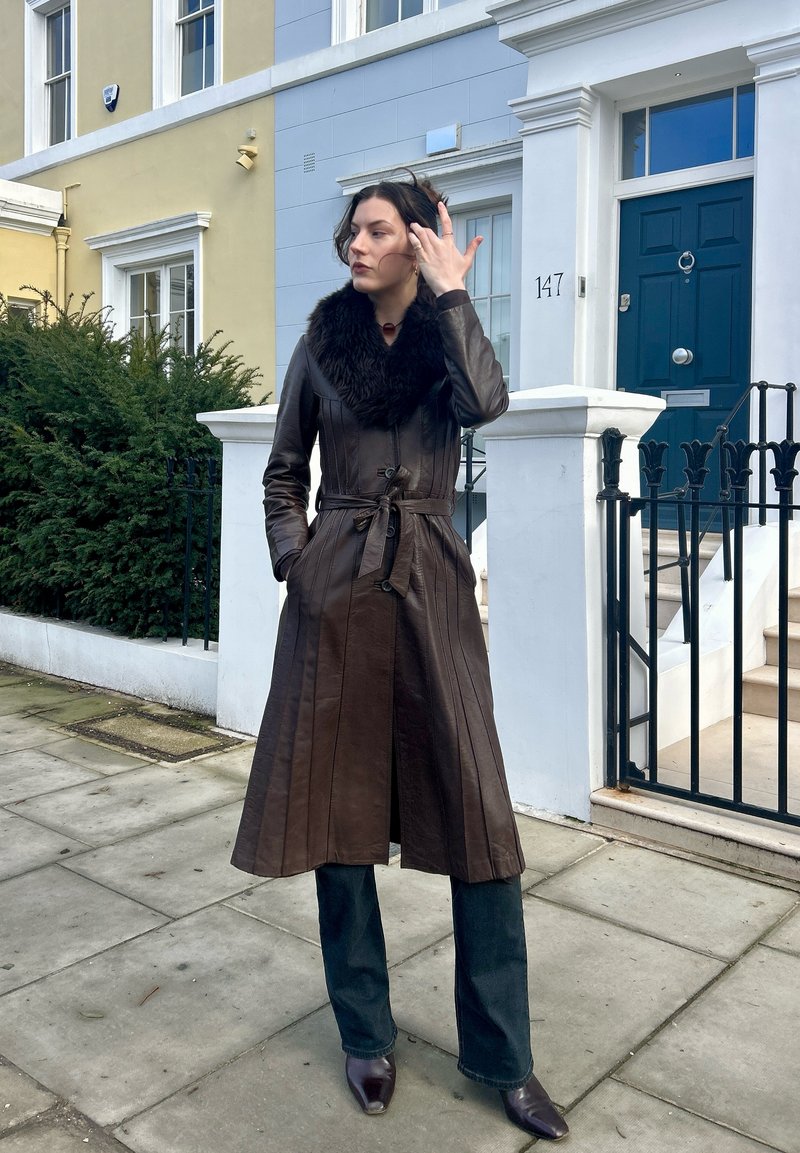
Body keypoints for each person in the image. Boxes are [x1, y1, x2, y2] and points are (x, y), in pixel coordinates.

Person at [231, 174, 569, 1142]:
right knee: (339, 824)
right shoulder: (320, 342)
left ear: (416, 240)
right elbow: (282, 472)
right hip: (334, 591)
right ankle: (365, 1035)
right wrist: (300, 564)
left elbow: (487, 404)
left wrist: (453, 295)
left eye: (376, 230)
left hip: (429, 584)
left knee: (478, 822)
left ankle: (503, 1059)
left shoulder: (442, 332)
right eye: (352, 230)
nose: (355, 243)